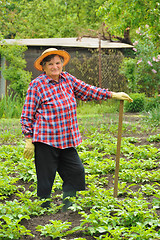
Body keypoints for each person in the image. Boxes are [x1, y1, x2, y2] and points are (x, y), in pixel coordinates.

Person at [20, 48, 133, 211]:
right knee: (46, 178)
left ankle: (68, 206)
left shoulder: (68, 80)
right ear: (43, 67)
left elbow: (88, 90)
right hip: (45, 140)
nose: (55, 66)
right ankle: (42, 211)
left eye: (58, 63)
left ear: (62, 65)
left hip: (67, 139)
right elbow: (27, 114)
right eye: (50, 64)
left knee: (76, 171)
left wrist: (113, 94)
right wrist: (28, 140)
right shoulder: (37, 85)